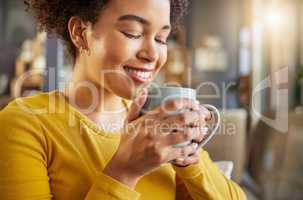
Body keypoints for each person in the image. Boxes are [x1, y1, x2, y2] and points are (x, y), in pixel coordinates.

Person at [0, 0, 246, 199]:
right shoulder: (25, 123)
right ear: (80, 33)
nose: (152, 54)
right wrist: (124, 171)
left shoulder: (156, 121)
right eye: (133, 33)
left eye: (161, 39)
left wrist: (190, 160)